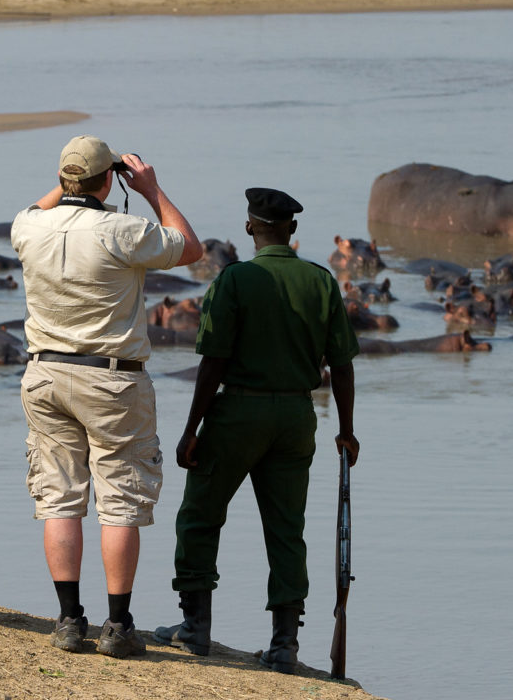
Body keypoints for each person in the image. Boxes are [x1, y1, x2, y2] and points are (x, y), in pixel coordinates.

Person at [154, 187, 361, 674]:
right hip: (296, 418)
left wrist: (191, 430)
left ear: (250, 228)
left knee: (200, 516)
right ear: (291, 230)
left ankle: (195, 628)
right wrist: (347, 431)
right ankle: (285, 645)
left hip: (238, 415)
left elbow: (213, 361)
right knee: (287, 529)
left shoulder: (234, 280)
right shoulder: (322, 281)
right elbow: (344, 366)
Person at [11, 135, 202, 657]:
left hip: (45, 375)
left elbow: (38, 205)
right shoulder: (124, 229)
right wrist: (151, 190)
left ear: (64, 179)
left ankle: (70, 619)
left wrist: (74, 179)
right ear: (107, 181)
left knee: (59, 498)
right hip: (112, 379)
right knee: (119, 500)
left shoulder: (27, 226)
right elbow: (191, 247)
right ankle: (118, 626)